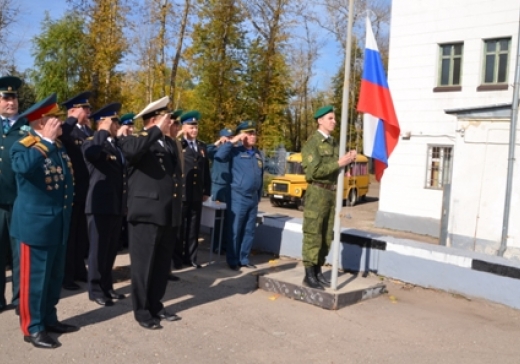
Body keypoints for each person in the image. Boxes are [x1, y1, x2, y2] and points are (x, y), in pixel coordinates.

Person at [10, 93, 79, 349]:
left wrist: (51, 142)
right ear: (41, 123)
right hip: (34, 227)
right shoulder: (24, 145)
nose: (59, 122)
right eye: (54, 119)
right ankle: (32, 328)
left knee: (52, 277)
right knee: (34, 281)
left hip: (57, 222)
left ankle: (49, 319)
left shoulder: (57, 146)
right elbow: (22, 168)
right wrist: (46, 142)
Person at [119, 96, 181, 330]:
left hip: (166, 213)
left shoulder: (168, 143)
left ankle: (155, 304)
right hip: (146, 213)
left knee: (161, 265)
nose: (171, 123)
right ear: (155, 120)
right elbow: (133, 151)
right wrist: (154, 130)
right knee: (143, 266)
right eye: (167, 119)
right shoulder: (133, 140)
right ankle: (142, 311)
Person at [300, 105, 357, 290]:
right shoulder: (312, 143)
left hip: (331, 193)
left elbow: (337, 169)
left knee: (326, 235)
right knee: (313, 233)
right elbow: (313, 172)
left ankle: (317, 272)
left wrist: (348, 161)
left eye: (334, 118)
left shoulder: (333, 143)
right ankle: (308, 275)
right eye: (330, 118)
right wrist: (339, 162)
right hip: (317, 192)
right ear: (320, 120)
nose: (334, 121)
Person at [82, 103, 128, 306]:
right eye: (114, 121)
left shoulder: (115, 145)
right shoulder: (92, 142)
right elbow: (92, 155)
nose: (117, 124)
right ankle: (94, 288)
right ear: (104, 122)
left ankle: (107, 286)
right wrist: (101, 130)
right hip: (99, 205)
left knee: (110, 249)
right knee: (98, 250)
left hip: (115, 204)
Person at [214, 121, 263, 271]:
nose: (253, 136)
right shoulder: (235, 151)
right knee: (235, 230)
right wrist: (232, 142)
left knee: (249, 230)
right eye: (249, 133)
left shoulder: (257, 153)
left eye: (254, 133)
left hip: (253, 198)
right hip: (238, 196)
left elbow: (260, 175)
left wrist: (259, 196)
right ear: (242, 136)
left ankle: (244, 258)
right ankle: (233, 260)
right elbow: (218, 156)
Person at [59, 91, 92, 290]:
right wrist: (71, 118)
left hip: (85, 188)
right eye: (84, 108)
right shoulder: (67, 129)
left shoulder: (88, 132)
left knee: (81, 234)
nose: (88, 112)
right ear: (73, 110)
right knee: (70, 236)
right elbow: (61, 134)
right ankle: (67, 274)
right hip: (71, 189)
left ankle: (80, 269)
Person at [0, 76, 26, 315]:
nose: (11, 102)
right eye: (6, 97)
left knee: (19, 254)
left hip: (19, 200)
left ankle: (20, 299)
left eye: (14, 97)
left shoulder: (27, 126)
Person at [173, 110, 211, 269]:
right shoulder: (178, 144)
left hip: (196, 193)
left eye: (196, 128)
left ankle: (192, 257)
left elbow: (206, 171)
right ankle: (177, 259)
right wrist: (178, 135)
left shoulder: (202, 146)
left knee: (193, 228)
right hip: (182, 192)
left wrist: (206, 190)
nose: (194, 130)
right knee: (180, 228)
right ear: (184, 128)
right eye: (191, 127)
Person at [206, 128, 234, 253]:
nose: (228, 139)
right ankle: (215, 245)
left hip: (230, 187)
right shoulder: (216, 151)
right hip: (217, 186)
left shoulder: (232, 151)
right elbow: (206, 150)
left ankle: (224, 246)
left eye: (230, 137)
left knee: (228, 218)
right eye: (226, 137)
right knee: (216, 219)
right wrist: (218, 142)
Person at [166, 110, 183, 281]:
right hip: (165, 197)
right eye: (174, 123)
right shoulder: (163, 142)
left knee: (172, 236)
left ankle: (167, 269)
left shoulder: (176, 143)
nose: (177, 127)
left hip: (176, 195)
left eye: (177, 124)